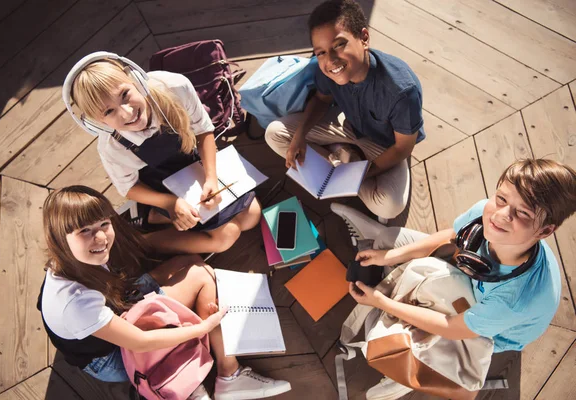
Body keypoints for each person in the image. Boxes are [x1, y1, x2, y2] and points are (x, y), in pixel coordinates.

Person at [331, 159, 576, 399]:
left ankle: (404, 378)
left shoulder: (516, 299)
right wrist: (389, 255)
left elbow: (451, 328)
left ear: (545, 231)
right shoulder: (486, 212)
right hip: (468, 286)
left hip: (485, 331)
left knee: (408, 342)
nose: (501, 215)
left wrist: (381, 303)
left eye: (522, 212)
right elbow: (452, 236)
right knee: (388, 240)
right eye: (501, 199)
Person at [38, 185, 291, 400]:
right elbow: (139, 340)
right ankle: (206, 380)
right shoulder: (75, 302)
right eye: (85, 231)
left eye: (104, 223)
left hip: (109, 315)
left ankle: (201, 375)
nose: (102, 237)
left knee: (193, 264)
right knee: (200, 279)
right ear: (60, 237)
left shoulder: (69, 260)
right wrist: (202, 328)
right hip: (107, 358)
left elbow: (141, 247)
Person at [63, 52, 261, 254]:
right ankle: (141, 240)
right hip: (156, 184)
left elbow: (203, 130)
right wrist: (170, 203)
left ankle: (153, 217)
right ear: (99, 124)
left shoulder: (175, 87)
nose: (127, 113)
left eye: (124, 95)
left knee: (251, 216)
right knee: (225, 238)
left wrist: (211, 177)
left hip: (191, 158)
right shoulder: (111, 148)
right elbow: (128, 187)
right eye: (108, 112)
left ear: (137, 79)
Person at [265, 0, 425, 221]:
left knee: (389, 206)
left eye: (339, 45)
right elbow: (321, 99)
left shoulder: (401, 91)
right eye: (320, 52)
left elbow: (403, 148)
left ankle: (338, 168)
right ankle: (340, 162)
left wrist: (360, 173)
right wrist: (300, 136)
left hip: (386, 147)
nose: (330, 60)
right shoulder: (327, 68)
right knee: (275, 133)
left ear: (364, 38)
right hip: (347, 127)